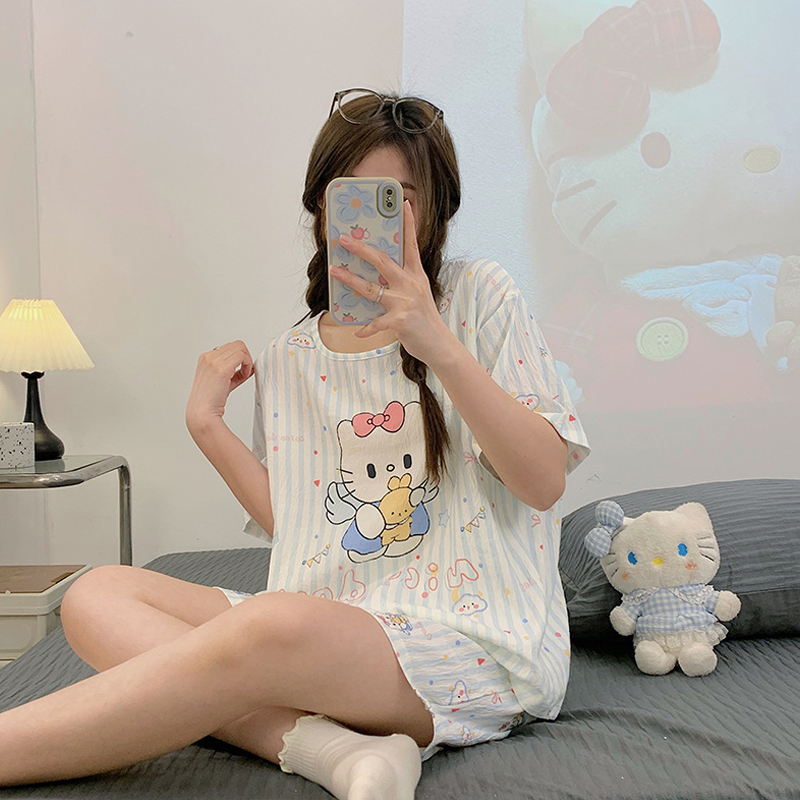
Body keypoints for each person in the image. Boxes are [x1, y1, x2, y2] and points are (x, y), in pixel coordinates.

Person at [0, 89, 589, 800]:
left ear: (433, 210)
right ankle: (332, 751)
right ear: (320, 206)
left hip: (466, 641)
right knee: (96, 594)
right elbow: (306, 530)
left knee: (273, 622)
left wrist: (436, 342)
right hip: (328, 622)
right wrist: (207, 427)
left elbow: (544, 481)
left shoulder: (479, 297)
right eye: (354, 198)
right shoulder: (291, 355)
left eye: (400, 200)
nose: (375, 222)